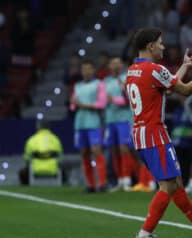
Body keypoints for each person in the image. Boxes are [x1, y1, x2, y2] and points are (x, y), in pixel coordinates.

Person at [125, 28, 192, 238]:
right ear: (150, 46)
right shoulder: (154, 69)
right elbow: (185, 90)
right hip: (154, 134)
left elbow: (168, 87)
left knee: (176, 183)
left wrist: (186, 66)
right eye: (160, 43)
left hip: (141, 134)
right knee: (168, 185)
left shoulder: (133, 70)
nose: (163, 46)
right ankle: (144, 234)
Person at [70, 60, 108, 193]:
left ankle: (102, 183)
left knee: (96, 151)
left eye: (89, 69)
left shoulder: (99, 84)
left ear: (93, 70)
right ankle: (91, 185)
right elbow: (73, 105)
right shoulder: (77, 86)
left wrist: (83, 105)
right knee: (84, 153)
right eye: (84, 69)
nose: (86, 71)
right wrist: (74, 103)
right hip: (80, 123)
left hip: (93, 122)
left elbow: (102, 104)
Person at [103, 56, 139, 192]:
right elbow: (102, 101)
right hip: (110, 119)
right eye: (113, 63)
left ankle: (127, 179)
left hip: (125, 119)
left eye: (118, 63)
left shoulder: (128, 78)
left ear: (122, 65)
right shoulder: (105, 82)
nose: (116, 66)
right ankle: (119, 180)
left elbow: (129, 100)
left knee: (125, 148)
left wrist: (116, 98)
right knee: (114, 150)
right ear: (109, 66)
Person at [19, 120, 63, 185]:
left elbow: (27, 158)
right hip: (53, 169)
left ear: (38, 127)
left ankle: (28, 191)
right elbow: (60, 155)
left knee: (22, 172)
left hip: (35, 168)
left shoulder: (32, 139)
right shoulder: (55, 139)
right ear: (49, 127)